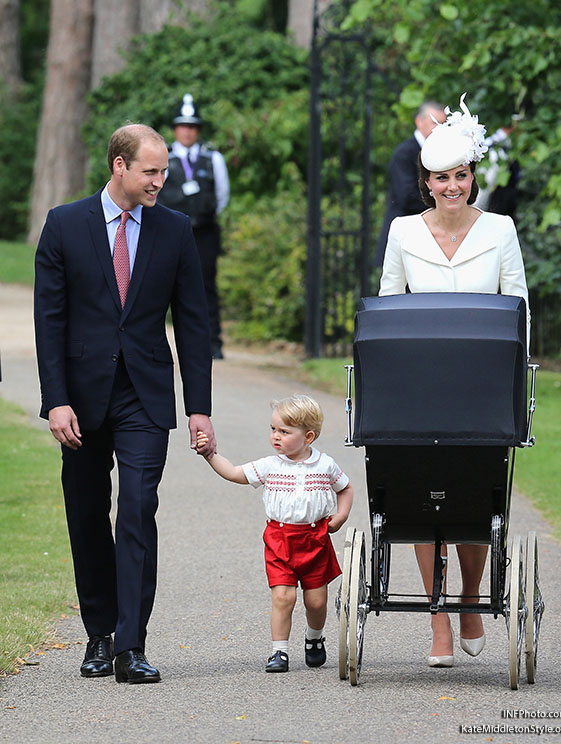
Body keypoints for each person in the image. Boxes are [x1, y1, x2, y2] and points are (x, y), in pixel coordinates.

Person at [34, 123, 216, 684]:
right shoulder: (65, 224)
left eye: (162, 171)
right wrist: (55, 402)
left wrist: (199, 407)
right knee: (88, 516)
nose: (161, 181)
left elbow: (192, 322)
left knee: (138, 510)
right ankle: (98, 634)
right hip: (81, 402)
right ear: (120, 166)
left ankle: (131, 645)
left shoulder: (175, 230)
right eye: (151, 171)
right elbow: (50, 321)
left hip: (145, 394)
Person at [379, 93, 529, 668]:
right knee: (420, 502)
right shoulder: (403, 233)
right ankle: (438, 617)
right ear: (427, 180)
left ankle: (469, 597)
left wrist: (516, 381)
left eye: (460, 176)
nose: (452, 187)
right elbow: (388, 307)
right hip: (417, 389)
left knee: (473, 500)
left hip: (482, 387)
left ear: (472, 176)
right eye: (440, 178)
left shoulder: (501, 229)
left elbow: (517, 307)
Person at [196, 394, 354, 673]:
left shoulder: (324, 465)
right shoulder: (270, 466)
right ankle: (278, 651)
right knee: (284, 597)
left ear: (308, 436)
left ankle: (314, 638)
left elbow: (345, 488)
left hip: (315, 539)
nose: (276, 437)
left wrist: (340, 516)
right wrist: (210, 454)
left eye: (284, 431)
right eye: (273, 429)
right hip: (280, 540)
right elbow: (233, 473)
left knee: (316, 601)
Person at [157, 94, 229, 359]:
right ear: (176, 128)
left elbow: (222, 196)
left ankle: (212, 344)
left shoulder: (213, 159)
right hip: (169, 233)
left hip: (204, 233)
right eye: (183, 126)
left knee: (206, 288)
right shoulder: (165, 157)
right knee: (162, 287)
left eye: (192, 126)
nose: (187, 131)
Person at [374, 100, 447, 267]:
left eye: (443, 124)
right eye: (434, 123)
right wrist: (443, 204)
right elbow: (406, 197)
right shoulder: (404, 153)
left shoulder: (441, 152)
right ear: (419, 121)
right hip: (406, 237)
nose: (439, 129)